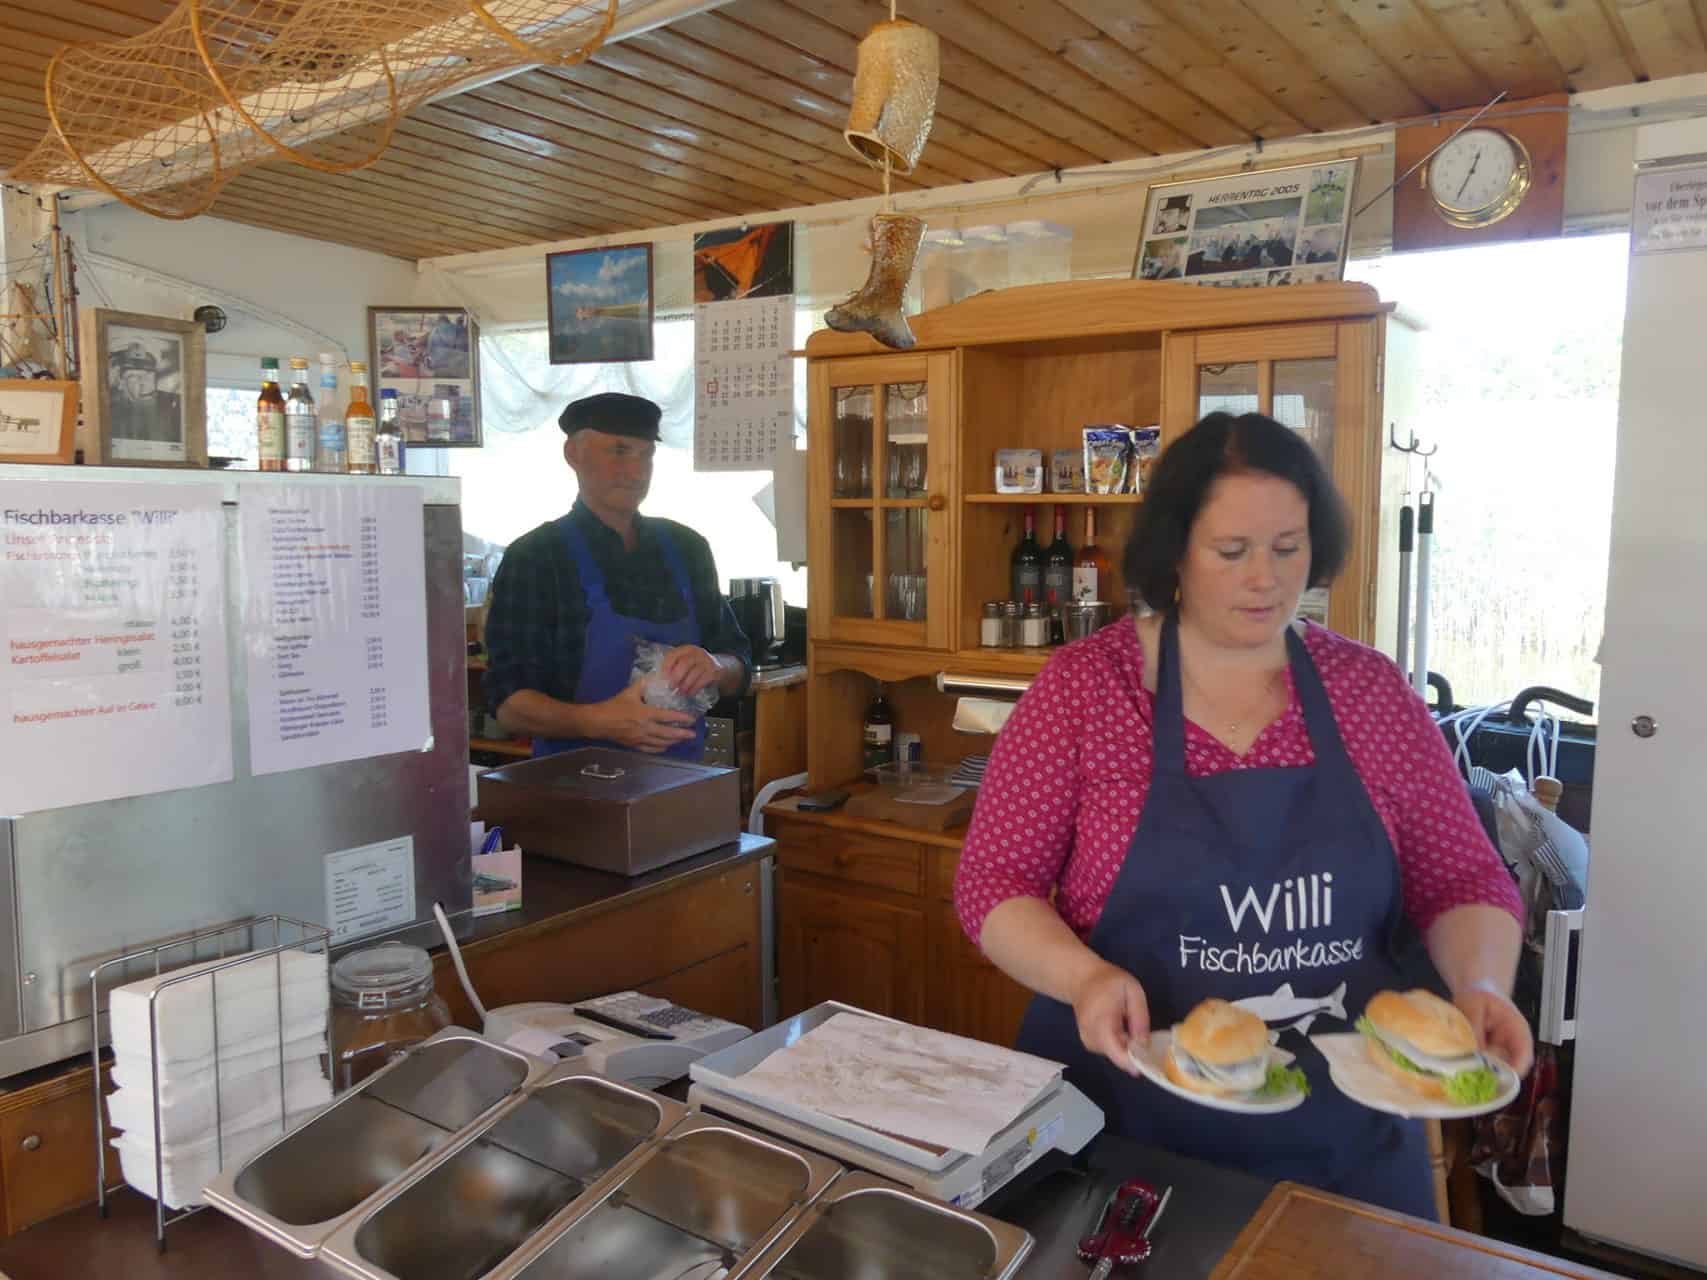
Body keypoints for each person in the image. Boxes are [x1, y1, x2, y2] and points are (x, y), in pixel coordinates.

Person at [954, 411, 1530, 1220]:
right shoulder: (1086, 689)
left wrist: (1478, 984)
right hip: (1120, 1124)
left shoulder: (1366, 692)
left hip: (1343, 1136)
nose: (1265, 577)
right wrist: (1081, 978)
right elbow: (994, 883)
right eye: (1232, 551)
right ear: (1175, 553)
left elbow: (1462, 877)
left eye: (1287, 548)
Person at [484, 392, 750, 759]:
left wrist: (716, 665)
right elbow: (509, 704)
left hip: (681, 782)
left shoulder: (688, 548)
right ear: (573, 455)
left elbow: (740, 662)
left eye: (646, 455)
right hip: (572, 785)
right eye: (619, 451)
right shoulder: (536, 557)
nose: (635, 471)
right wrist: (598, 722)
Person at [109, 343, 181, 443]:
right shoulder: (110, 415)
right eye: (134, 377)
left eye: (148, 375)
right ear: (121, 382)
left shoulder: (174, 406)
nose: (143, 383)